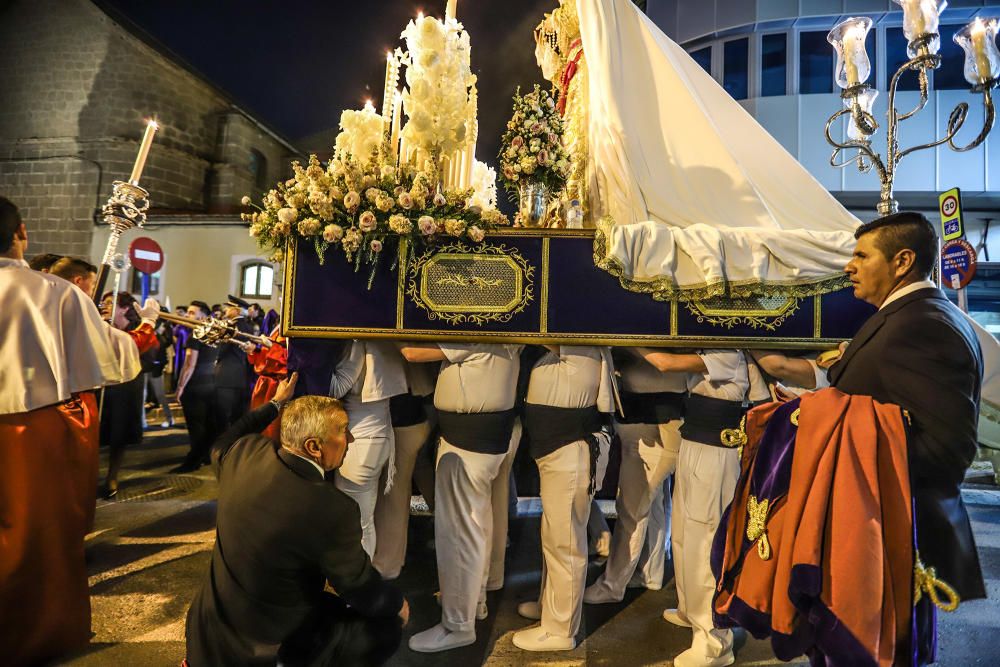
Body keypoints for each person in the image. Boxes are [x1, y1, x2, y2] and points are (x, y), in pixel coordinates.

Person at [829, 211, 985, 664]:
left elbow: (950, 448)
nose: (849, 266)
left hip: (895, 531)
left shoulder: (923, 323)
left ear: (902, 261)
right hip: (887, 525)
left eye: (861, 255)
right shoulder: (911, 315)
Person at [0, 196, 143, 664]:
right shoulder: (53, 293)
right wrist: (136, 333)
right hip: (27, 430)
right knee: (34, 539)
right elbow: (108, 360)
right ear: (21, 232)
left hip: (29, 425)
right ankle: (30, 640)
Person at [184, 373, 408, 666]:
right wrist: (397, 604)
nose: (350, 439)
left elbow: (228, 437)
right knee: (384, 627)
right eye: (342, 430)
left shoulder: (243, 454)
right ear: (314, 447)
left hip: (209, 628)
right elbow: (357, 586)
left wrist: (275, 404)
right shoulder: (331, 507)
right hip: (266, 645)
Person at [400, 342, 522, 653]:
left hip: (468, 441)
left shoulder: (481, 325)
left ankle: (457, 625)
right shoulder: (509, 326)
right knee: (476, 527)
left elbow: (413, 352)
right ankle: (474, 602)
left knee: (458, 535)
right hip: (483, 436)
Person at [637, 347, 750, 667]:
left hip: (717, 450)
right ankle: (691, 611)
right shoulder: (707, 349)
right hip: (695, 443)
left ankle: (714, 642)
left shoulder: (731, 352)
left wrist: (619, 336)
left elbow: (664, 363)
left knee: (706, 545)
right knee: (685, 537)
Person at [513, 346, 615, 651]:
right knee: (554, 537)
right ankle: (551, 607)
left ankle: (560, 630)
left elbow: (539, 329)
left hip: (571, 447)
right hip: (557, 448)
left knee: (565, 542)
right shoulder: (565, 343)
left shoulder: (578, 336)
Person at [584, 347, 687, 604]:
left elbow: (664, 363)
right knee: (651, 502)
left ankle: (612, 585)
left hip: (659, 420)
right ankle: (648, 573)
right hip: (646, 415)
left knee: (632, 507)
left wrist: (622, 343)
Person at [328, 340, 407, 557]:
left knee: (355, 524)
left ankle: (359, 584)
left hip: (360, 441)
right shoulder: (377, 338)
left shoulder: (358, 342)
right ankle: (364, 580)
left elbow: (336, 388)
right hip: (374, 435)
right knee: (363, 522)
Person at [373, 358, 438, 579]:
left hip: (403, 415)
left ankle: (386, 564)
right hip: (413, 411)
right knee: (411, 478)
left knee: (393, 492)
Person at [99, 291, 159, 498]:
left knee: (119, 434)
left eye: (110, 303)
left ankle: (112, 476)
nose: (105, 306)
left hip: (126, 388)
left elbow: (149, 358)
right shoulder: (102, 326)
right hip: (103, 386)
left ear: (125, 308)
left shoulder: (137, 330)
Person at [174, 300, 220, 472]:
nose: (188, 315)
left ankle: (193, 460)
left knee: (196, 426)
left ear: (203, 315)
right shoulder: (216, 333)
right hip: (212, 383)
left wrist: (180, 387)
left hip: (195, 386)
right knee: (208, 424)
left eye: (192, 313)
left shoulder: (196, 334)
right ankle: (206, 456)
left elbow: (189, 365)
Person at [213, 295, 254, 431]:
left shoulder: (231, 326)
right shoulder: (248, 326)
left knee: (222, 416)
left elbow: (222, 349)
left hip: (226, 375)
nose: (225, 310)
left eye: (229, 307)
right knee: (237, 415)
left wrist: (214, 359)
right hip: (240, 374)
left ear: (236, 310)